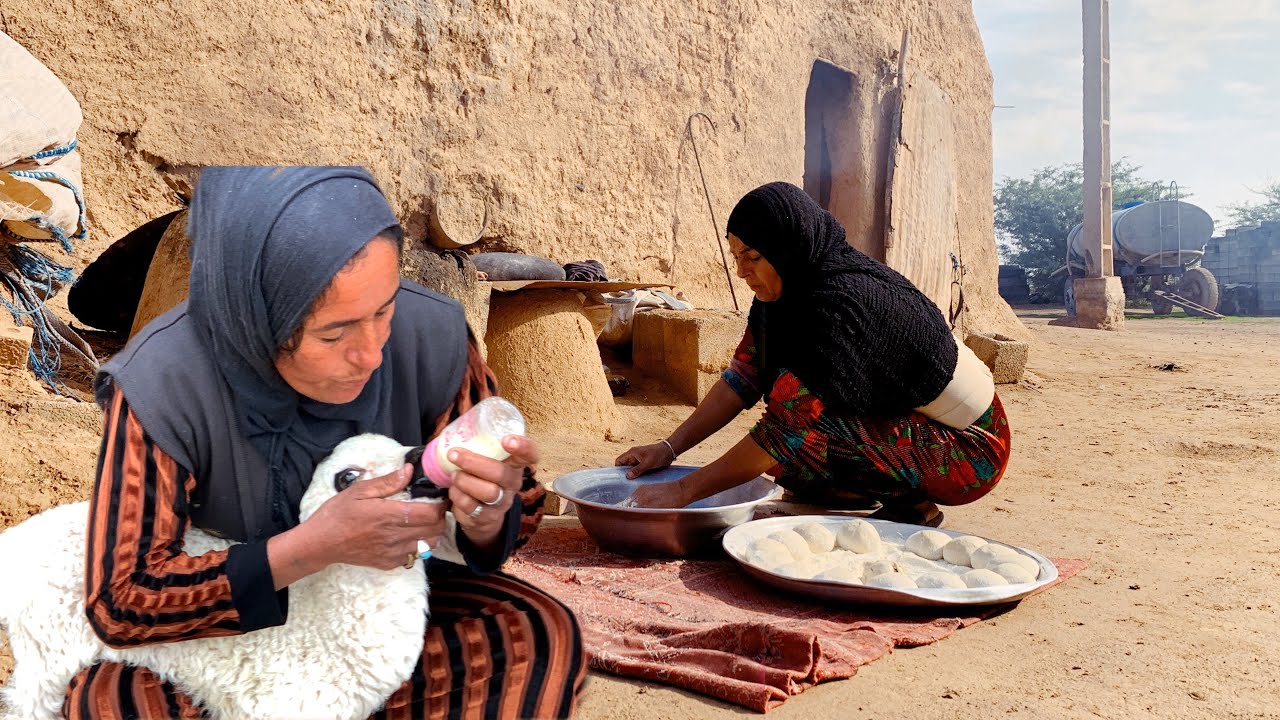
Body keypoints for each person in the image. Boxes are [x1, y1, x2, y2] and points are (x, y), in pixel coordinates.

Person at [68, 167, 585, 719]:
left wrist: (487, 515)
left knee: (532, 633)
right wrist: (310, 548)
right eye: (333, 333)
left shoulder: (433, 338)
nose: (371, 353)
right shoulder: (163, 384)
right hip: (228, 628)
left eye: (384, 310)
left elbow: (512, 513)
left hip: (376, 610)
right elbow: (123, 599)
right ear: (256, 321)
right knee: (111, 696)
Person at [617, 181, 1010, 527]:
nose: (741, 271)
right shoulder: (782, 296)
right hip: (915, 427)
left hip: (971, 451)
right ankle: (857, 495)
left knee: (800, 439)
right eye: (736, 256)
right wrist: (668, 449)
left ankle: (910, 503)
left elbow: (784, 430)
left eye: (752, 257)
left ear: (788, 249)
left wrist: (683, 491)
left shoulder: (840, 304)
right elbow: (743, 378)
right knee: (785, 453)